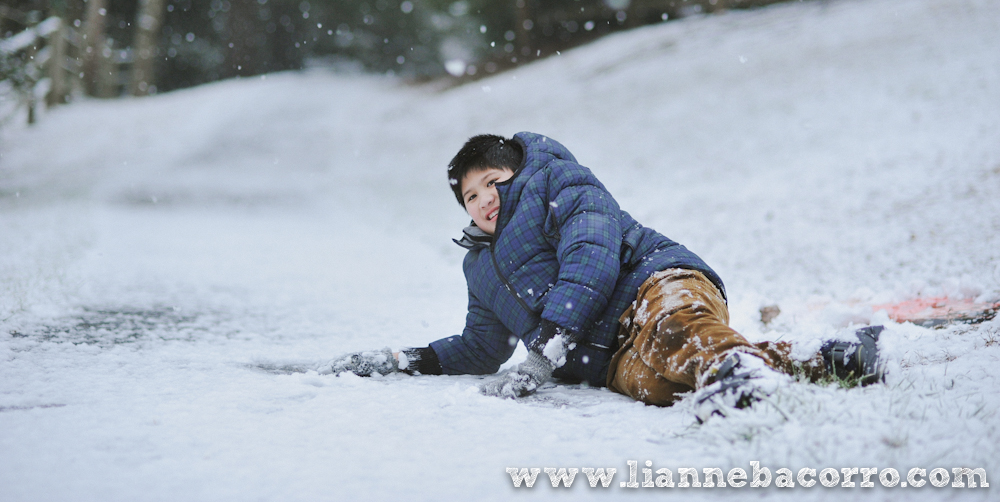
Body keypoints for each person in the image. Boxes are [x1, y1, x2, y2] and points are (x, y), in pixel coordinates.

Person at [330, 132, 883, 419]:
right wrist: (410, 360)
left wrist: (551, 343)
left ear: (517, 171)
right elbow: (481, 346)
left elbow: (591, 250)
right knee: (662, 381)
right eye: (470, 196)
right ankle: (830, 355)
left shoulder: (559, 181)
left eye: (493, 181)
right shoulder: (480, 266)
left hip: (654, 282)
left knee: (675, 329)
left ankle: (740, 375)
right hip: (609, 354)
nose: (484, 201)